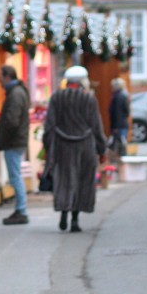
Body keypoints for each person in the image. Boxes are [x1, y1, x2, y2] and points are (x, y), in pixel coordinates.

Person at [42, 65, 106, 233]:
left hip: (62, 145)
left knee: (63, 179)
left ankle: (63, 212)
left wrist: (47, 146)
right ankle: (75, 220)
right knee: (81, 181)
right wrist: (102, 149)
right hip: (85, 146)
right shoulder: (89, 99)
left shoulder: (57, 97)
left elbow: (49, 125)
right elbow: (96, 126)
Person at [0, 65, 31, 225]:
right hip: (17, 140)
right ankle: (20, 209)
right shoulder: (17, 92)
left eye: (0, 76)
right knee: (16, 176)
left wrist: (3, 137)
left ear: (7, 76)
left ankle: (21, 210)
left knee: (15, 176)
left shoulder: (15, 94)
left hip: (13, 141)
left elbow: (12, 121)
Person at [109, 77, 131, 155]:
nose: (111, 88)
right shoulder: (122, 95)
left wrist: (116, 127)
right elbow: (127, 112)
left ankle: (121, 162)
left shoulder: (118, 97)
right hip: (122, 124)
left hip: (119, 125)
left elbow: (118, 113)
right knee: (120, 144)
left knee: (120, 145)